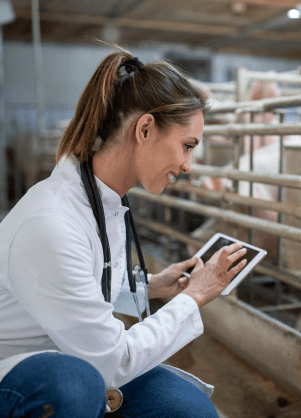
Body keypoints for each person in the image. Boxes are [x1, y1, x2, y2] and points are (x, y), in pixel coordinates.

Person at [0, 45, 247, 417]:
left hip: (71, 351)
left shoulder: (106, 203)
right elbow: (111, 362)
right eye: (187, 146)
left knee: (190, 409)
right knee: (72, 385)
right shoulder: (51, 224)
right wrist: (193, 296)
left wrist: (148, 287)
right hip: (21, 368)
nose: (188, 165)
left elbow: (80, 296)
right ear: (145, 128)